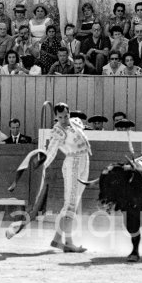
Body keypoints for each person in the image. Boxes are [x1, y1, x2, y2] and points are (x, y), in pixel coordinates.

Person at [41, 102, 91, 253]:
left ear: (70, 114)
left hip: (84, 161)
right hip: (72, 164)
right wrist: (42, 166)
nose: (64, 119)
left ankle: (57, 239)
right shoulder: (57, 131)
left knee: (73, 204)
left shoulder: (75, 122)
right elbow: (51, 151)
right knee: (70, 204)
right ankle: (68, 242)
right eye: (60, 117)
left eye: (66, 115)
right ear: (56, 117)